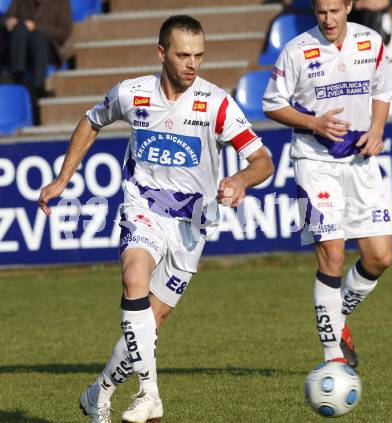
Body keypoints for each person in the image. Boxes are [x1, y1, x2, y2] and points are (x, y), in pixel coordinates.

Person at [38, 15, 274, 423]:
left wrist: (240, 179)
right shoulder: (132, 93)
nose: (192, 64)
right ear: (161, 53)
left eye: (199, 55)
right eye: (183, 55)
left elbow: (263, 160)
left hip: (192, 224)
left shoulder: (216, 103)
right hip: (142, 206)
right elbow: (92, 121)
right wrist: (62, 179)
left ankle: (100, 392)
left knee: (152, 320)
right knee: (134, 278)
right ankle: (150, 393)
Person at [263, 0, 392, 367]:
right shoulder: (297, 50)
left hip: (359, 159)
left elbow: (382, 90)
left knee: (380, 257)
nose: (328, 18)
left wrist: (378, 129)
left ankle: (334, 316)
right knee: (332, 255)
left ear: (349, 6)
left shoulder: (371, 42)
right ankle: (333, 357)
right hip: (314, 161)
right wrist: (315, 124)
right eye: (321, 11)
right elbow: (272, 104)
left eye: (335, 10)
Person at [3, 0, 72, 99]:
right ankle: (17, 74)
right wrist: (9, 21)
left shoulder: (61, 2)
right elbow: (7, 17)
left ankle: (39, 85)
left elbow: (64, 33)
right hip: (20, 46)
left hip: (47, 48)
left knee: (37, 38)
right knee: (20, 29)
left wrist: (36, 27)